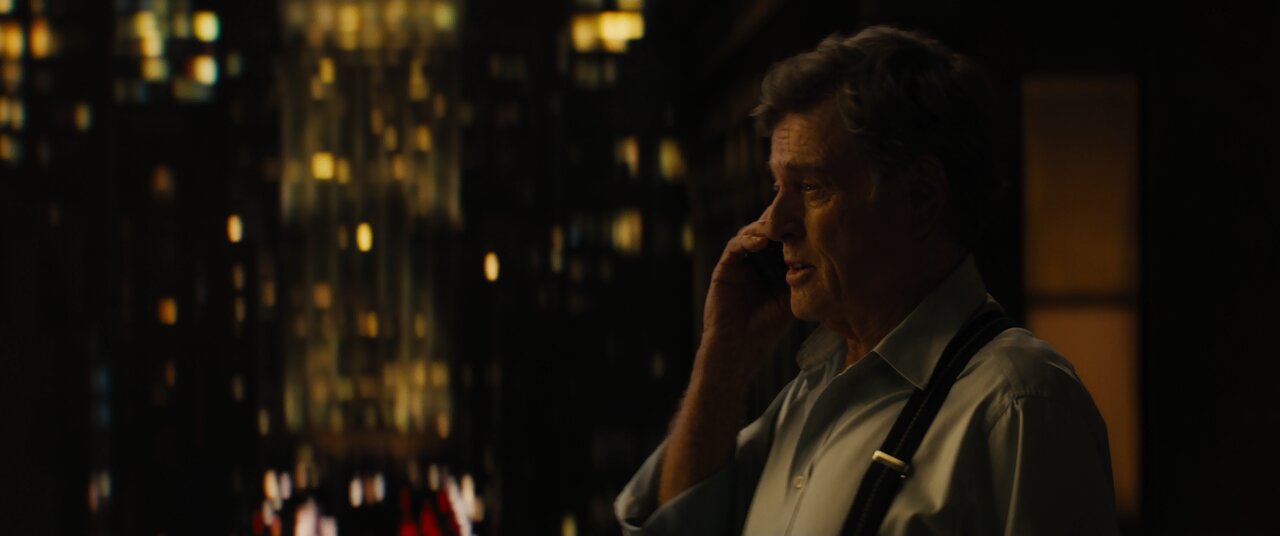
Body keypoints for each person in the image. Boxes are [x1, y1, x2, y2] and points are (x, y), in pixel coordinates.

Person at [614, 26, 1118, 535]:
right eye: (777, 187)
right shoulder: (808, 398)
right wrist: (723, 360)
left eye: (810, 187)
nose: (772, 223)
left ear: (921, 198)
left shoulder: (1019, 404)